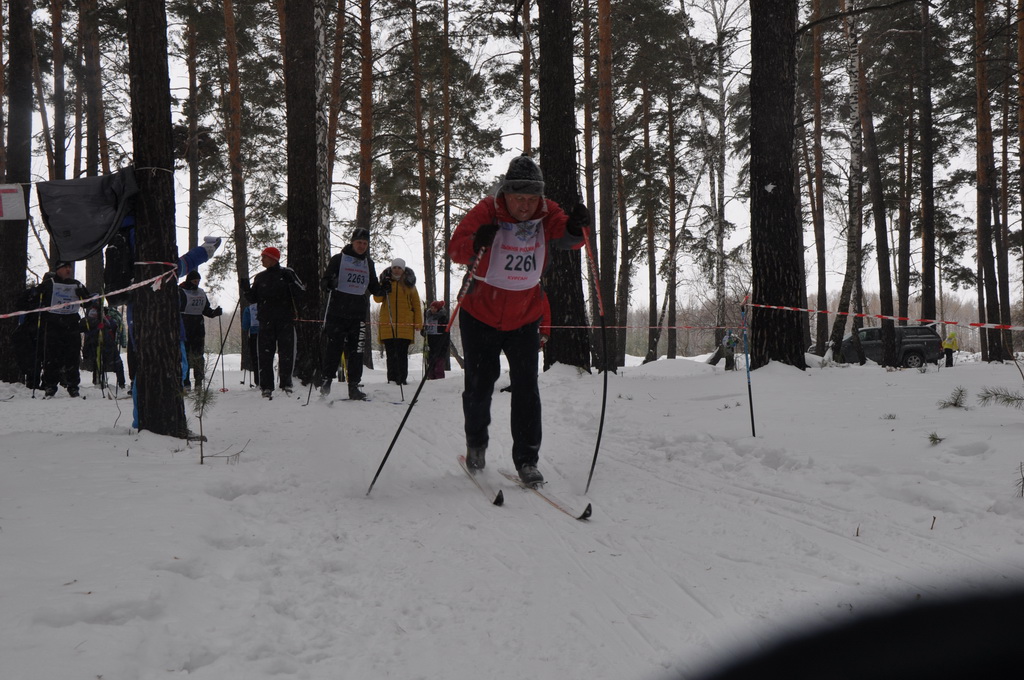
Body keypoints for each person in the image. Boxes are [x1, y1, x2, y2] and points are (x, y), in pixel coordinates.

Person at [448, 154, 589, 487]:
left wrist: (574, 225)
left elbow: (570, 238)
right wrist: (476, 242)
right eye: (518, 198)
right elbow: (456, 250)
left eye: (531, 198)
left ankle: (527, 460)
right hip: (480, 314)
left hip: (525, 316)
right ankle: (476, 443)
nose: (525, 206)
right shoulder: (486, 210)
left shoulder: (545, 211)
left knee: (527, 388)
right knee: (480, 386)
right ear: (505, 194)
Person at [320, 228, 388, 400]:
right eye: (359, 242)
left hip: (358, 314)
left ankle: (354, 386)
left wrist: (383, 289)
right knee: (333, 349)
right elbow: (324, 282)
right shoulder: (339, 259)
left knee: (357, 351)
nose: (362, 246)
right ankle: (326, 381)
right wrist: (330, 282)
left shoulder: (368, 263)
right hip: (337, 311)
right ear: (352, 242)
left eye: (365, 243)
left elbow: (373, 286)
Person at [246, 246, 305, 399]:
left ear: (273, 258)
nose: (261, 260)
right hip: (265, 322)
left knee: (286, 354)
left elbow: (301, 293)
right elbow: (253, 298)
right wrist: (246, 289)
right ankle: (266, 387)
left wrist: (291, 282)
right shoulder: (260, 277)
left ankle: (286, 384)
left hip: (285, 320)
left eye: (264, 257)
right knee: (265, 356)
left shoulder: (287, 273)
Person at [38, 261, 91, 398]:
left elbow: (88, 303)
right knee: (51, 357)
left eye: (70, 267)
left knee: (72, 357)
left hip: (71, 325)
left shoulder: (76, 284)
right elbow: (37, 299)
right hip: (53, 326)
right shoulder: (49, 283)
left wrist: (83, 295)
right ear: (58, 270)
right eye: (65, 267)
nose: (68, 270)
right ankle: (50, 386)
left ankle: (73, 386)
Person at [374, 258, 422, 386]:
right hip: (388, 324)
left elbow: (416, 304)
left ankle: (402, 379)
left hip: (405, 324)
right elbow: (377, 299)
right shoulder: (385, 281)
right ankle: (392, 378)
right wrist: (382, 287)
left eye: (399, 268)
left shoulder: (409, 284)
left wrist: (418, 322)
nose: (396, 270)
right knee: (391, 354)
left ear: (403, 270)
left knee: (401, 353)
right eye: (394, 267)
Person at [178, 270, 223, 391]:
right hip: (185, 326)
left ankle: (198, 382)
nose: (196, 283)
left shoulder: (201, 292)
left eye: (198, 281)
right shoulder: (180, 291)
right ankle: (185, 382)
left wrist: (214, 313)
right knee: (185, 355)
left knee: (198, 355)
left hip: (198, 326)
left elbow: (206, 310)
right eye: (194, 281)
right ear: (188, 280)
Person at [80, 302, 125, 391]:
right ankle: (97, 381)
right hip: (95, 346)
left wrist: (105, 321)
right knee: (97, 363)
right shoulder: (88, 320)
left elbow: (114, 326)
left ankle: (121, 383)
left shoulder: (108, 319)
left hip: (109, 346)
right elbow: (86, 330)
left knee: (118, 363)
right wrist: (98, 327)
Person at [422, 300, 450, 380]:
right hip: (430, 344)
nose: (432, 310)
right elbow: (425, 329)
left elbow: (446, 333)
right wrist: (423, 331)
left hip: (440, 344)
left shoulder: (443, 318)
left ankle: (439, 379)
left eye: (434, 308)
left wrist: (445, 345)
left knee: (439, 364)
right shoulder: (428, 317)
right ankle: (431, 378)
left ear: (438, 309)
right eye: (431, 308)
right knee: (431, 364)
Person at [241, 302, 260, 388]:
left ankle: (258, 381)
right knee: (265, 357)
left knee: (255, 358)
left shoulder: (249, 309)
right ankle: (266, 381)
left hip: (254, 335)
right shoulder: (266, 306)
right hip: (266, 334)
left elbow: (245, 326)